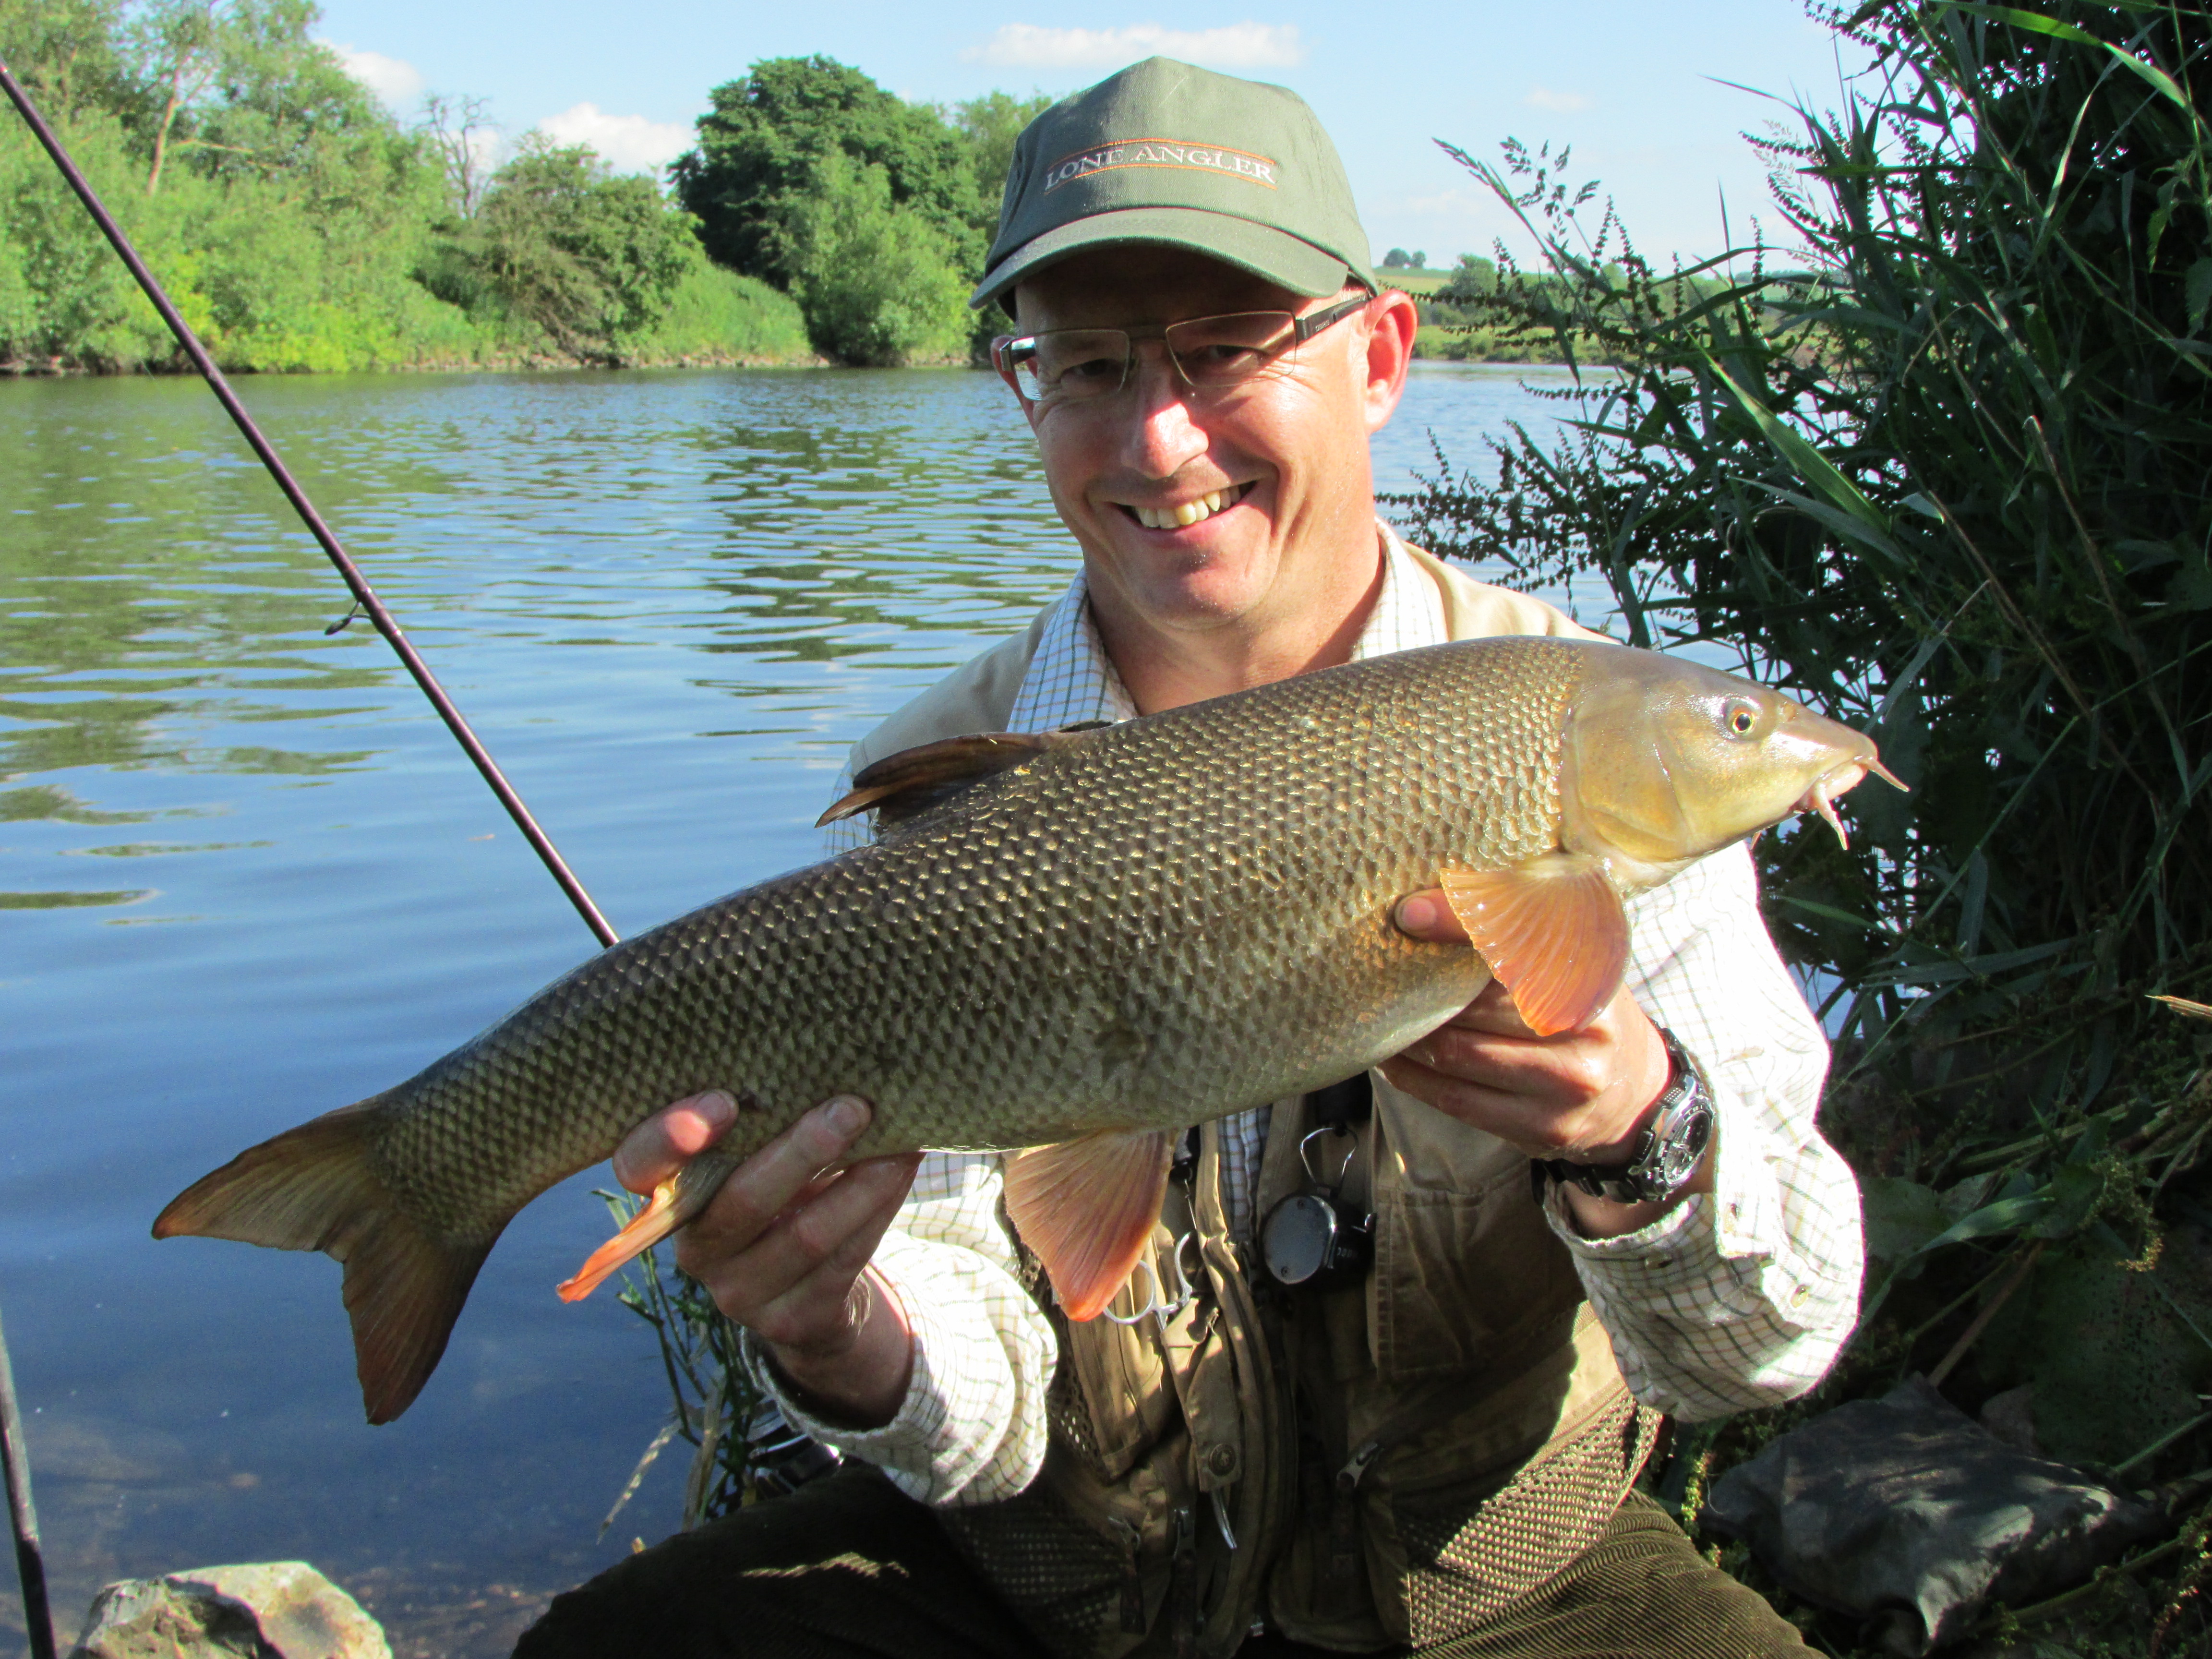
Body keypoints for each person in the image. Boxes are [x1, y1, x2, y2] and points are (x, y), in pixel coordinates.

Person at [517, 57, 1860, 1659]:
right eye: (1087, 366)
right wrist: (840, 1335)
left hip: (1494, 1588)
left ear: (1381, 355)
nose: (1159, 440)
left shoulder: (1579, 733)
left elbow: (1761, 1353)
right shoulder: (945, 780)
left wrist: (1641, 1133)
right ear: (1021, 387)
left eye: (1225, 350)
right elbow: (985, 1424)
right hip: (1064, 1590)